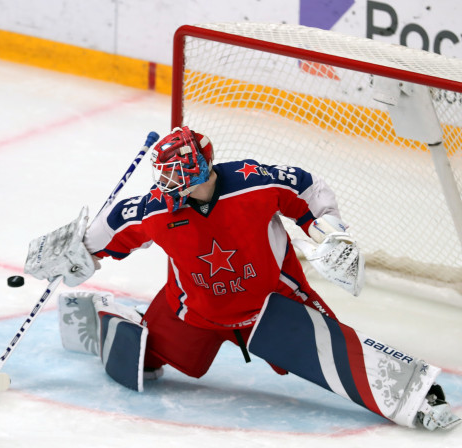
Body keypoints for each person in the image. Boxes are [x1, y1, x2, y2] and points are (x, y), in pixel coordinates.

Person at [26, 126, 460, 431]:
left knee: (336, 353)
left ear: (200, 166)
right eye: (165, 176)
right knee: (144, 363)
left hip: (272, 304)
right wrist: (75, 251)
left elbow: (307, 189)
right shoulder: (154, 208)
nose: (167, 184)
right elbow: (108, 232)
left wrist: (328, 232)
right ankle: (107, 319)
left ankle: (420, 399)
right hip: (192, 312)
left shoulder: (252, 182)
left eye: (177, 174)